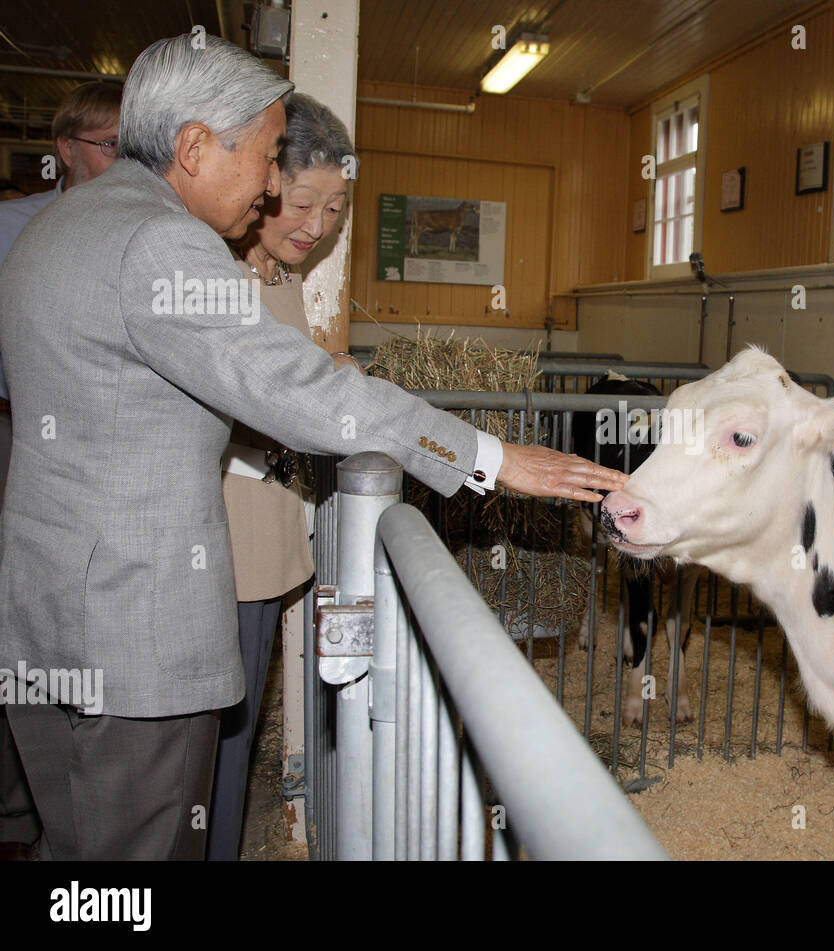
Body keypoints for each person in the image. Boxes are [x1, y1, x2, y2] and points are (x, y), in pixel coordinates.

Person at [0, 35, 625, 860]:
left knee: (74, 848)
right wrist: (490, 457)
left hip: (46, 613)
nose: (269, 185)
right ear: (193, 147)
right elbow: (304, 395)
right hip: (132, 632)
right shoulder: (161, 242)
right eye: (263, 157)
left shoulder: (59, 223)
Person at [206, 92, 356, 860]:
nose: (317, 226)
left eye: (335, 208)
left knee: (228, 756)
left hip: (263, 548)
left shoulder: (278, 275)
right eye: (303, 202)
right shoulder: (214, 274)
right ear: (262, 184)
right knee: (201, 765)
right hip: (217, 552)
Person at [0, 80, 122, 862]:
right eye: (111, 145)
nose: (122, 161)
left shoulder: (139, 234)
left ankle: (69, 815)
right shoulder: (13, 224)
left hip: (106, 443)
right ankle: (19, 812)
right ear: (67, 149)